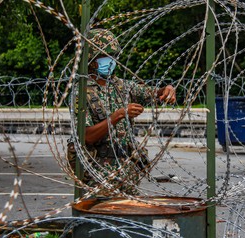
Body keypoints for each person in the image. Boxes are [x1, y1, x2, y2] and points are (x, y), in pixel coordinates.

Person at [68, 28, 176, 197]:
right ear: (92, 60)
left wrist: (166, 90)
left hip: (127, 171)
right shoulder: (81, 92)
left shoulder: (121, 86)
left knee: (130, 217)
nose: (112, 61)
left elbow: (153, 93)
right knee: (104, 219)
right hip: (98, 174)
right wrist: (117, 115)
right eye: (107, 56)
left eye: (114, 56)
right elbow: (86, 136)